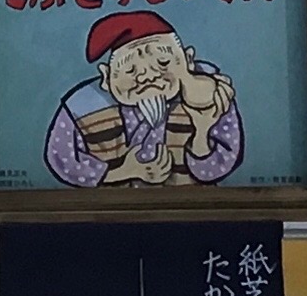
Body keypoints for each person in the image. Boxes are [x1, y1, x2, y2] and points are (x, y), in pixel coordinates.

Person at [43, 10, 244, 187]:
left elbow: (215, 170)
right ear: (107, 77)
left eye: (163, 62)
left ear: (188, 59)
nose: (148, 76)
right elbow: (62, 160)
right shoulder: (81, 108)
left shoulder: (210, 96)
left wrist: (202, 130)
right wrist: (122, 172)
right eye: (131, 70)